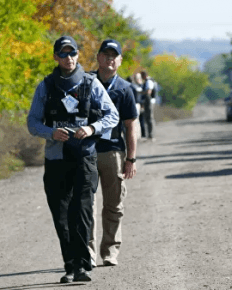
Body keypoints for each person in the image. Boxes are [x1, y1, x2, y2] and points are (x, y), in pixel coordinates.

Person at [27, 36, 119, 283]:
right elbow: (32, 122)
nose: (69, 58)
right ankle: (69, 265)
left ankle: (82, 265)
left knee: (82, 211)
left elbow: (113, 115)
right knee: (62, 214)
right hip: (56, 158)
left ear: (78, 55)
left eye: (73, 53)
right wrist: (50, 132)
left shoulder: (91, 84)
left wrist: (92, 128)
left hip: (85, 157)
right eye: (64, 54)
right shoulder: (45, 86)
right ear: (56, 57)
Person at [88, 39, 139, 267]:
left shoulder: (125, 89)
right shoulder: (84, 83)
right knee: (84, 204)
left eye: (114, 55)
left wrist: (131, 158)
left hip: (113, 153)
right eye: (105, 54)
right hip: (85, 152)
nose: (109, 59)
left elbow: (131, 126)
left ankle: (109, 251)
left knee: (114, 205)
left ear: (119, 60)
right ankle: (86, 254)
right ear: (98, 57)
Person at [140, 71, 155, 141]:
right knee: (147, 118)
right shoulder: (147, 81)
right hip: (147, 100)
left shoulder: (149, 81)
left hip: (149, 100)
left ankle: (151, 135)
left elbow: (149, 91)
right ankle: (149, 134)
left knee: (149, 118)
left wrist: (141, 92)